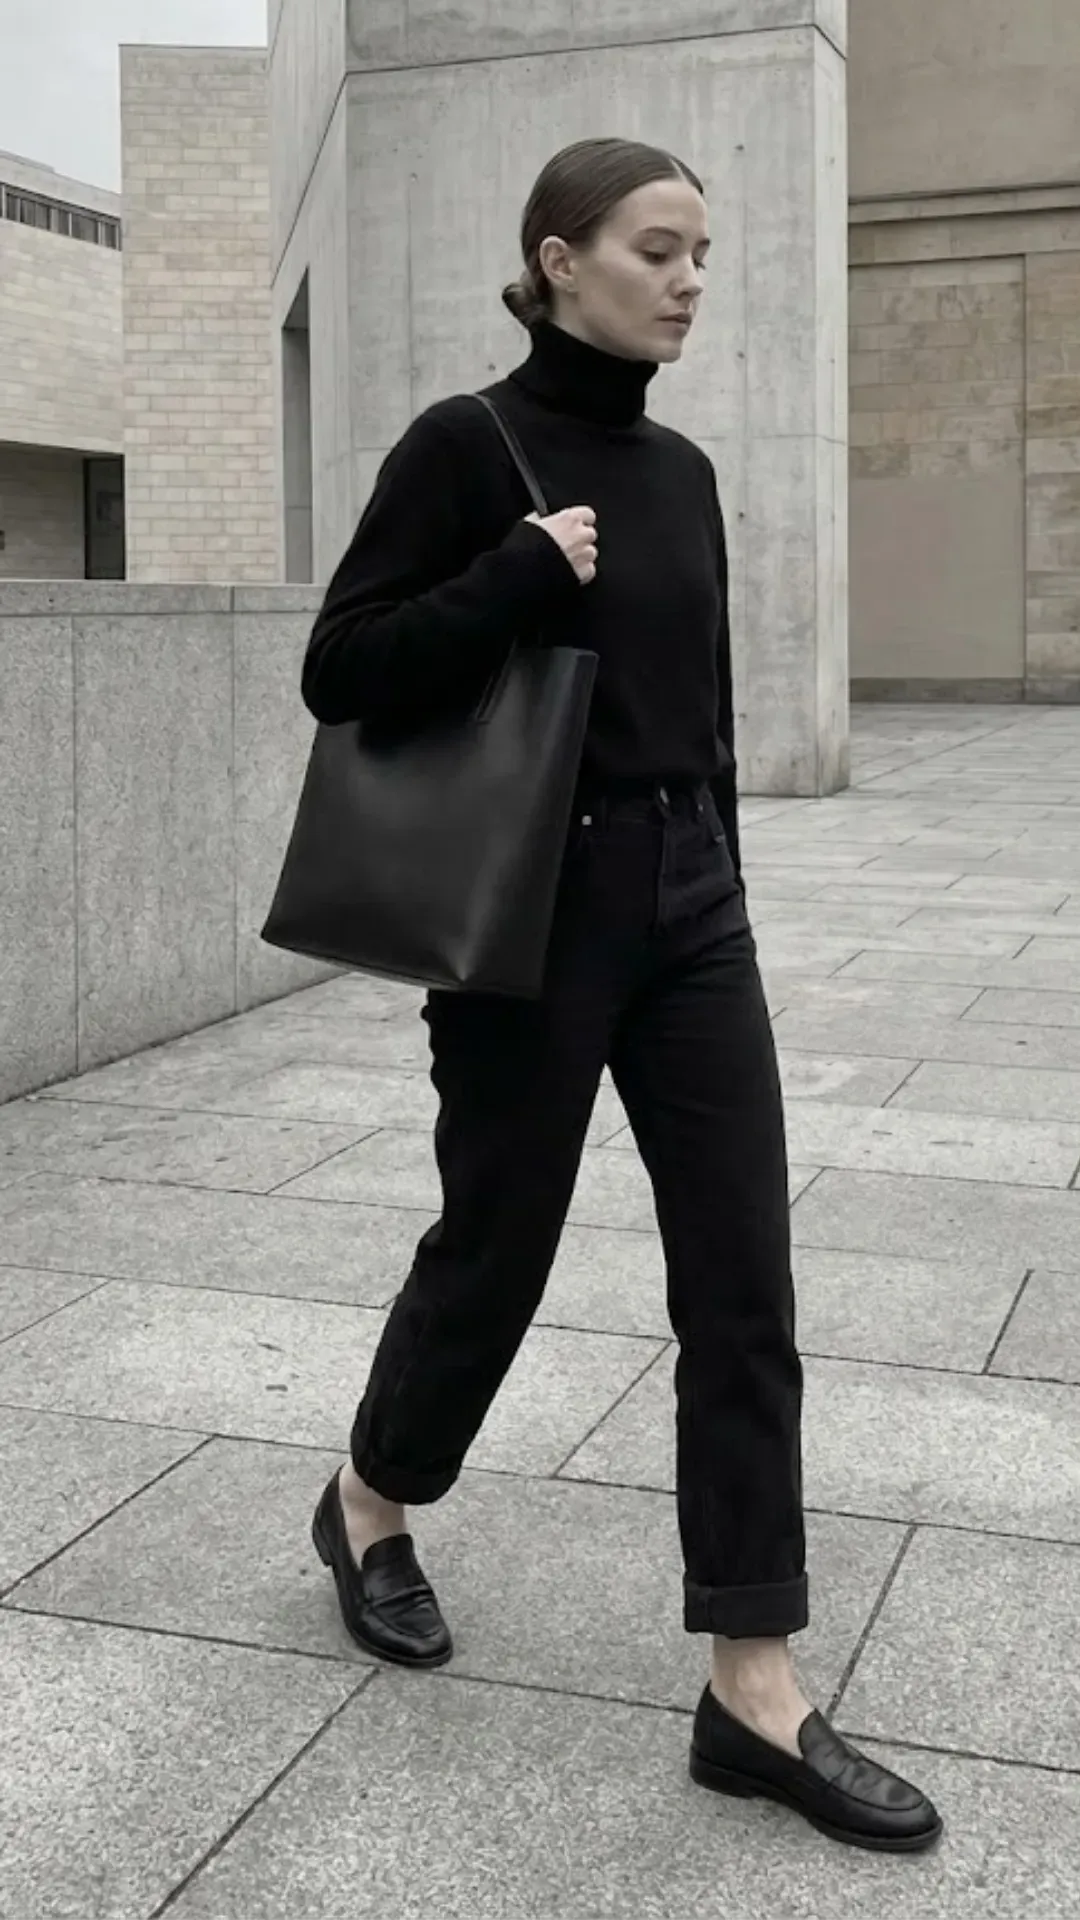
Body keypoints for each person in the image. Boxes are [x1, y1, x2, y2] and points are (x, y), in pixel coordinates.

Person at [301, 137, 941, 1855]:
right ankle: (369, 1499)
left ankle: (755, 1674)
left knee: (744, 1269)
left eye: (705, 256)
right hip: (534, 913)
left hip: (687, 904)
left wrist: (722, 872)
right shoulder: (466, 446)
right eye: (658, 251)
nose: (688, 283)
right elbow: (339, 668)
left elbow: (706, 707)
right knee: (496, 1242)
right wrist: (511, 575)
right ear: (558, 258)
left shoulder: (688, 472)